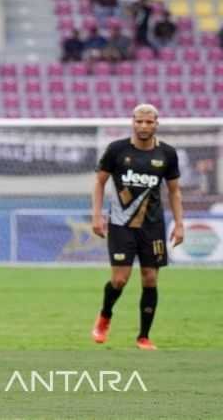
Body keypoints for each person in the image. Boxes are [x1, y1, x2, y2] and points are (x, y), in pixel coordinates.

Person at [91, 104, 184, 350]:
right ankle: (105, 315)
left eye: (149, 122)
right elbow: (99, 183)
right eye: (139, 121)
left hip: (152, 226)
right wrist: (97, 216)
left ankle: (143, 336)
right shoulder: (117, 150)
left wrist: (180, 224)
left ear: (156, 123)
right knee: (120, 280)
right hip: (121, 224)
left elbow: (174, 191)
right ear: (132, 122)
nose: (143, 126)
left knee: (150, 278)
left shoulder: (167, 154)